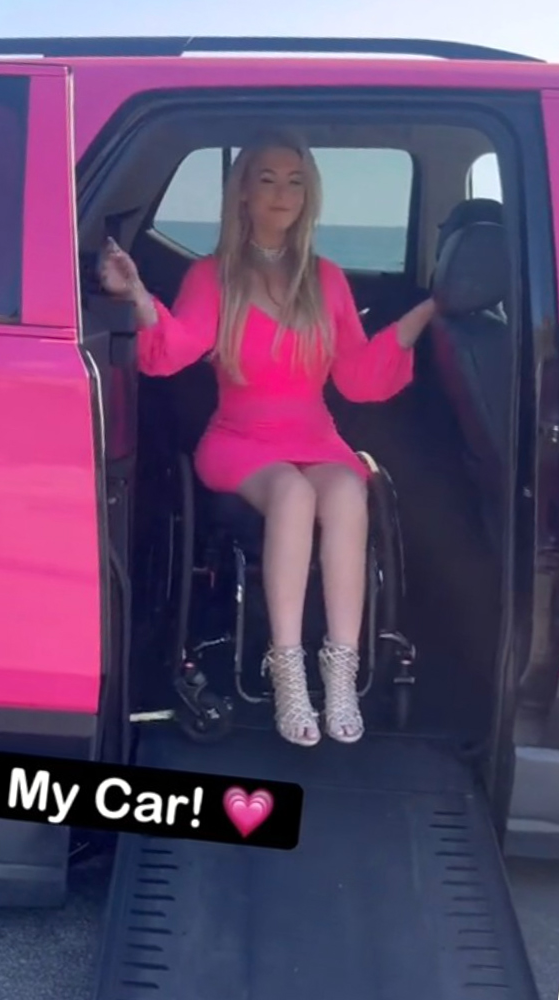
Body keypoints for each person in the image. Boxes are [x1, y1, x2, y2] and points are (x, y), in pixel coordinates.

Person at [98, 133, 438, 748]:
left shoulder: (327, 278)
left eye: (295, 181)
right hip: (240, 438)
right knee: (292, 494)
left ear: (309, 197)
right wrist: (137, 294)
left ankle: (340, 675)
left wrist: (430, 310)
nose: (282, 193)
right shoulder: (212, 276)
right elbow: (173, 349)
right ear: (243, 193)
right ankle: (288, 674)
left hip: (315, 432)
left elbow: (358, 378)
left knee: (345, 494)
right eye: (267, 178)